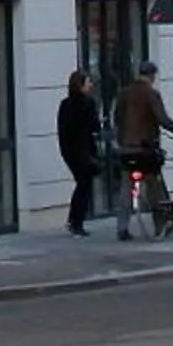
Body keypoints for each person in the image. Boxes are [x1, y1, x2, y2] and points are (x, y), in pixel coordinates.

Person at [110, 61, 173, 240]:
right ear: (152, 76)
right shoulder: (151, 94)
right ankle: (161, 224)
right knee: (154, 185)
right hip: (144, 149)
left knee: (127, 188)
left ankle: (122, 228)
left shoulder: (124, 93)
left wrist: (120, 140)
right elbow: (163, 119)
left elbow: (117, 118)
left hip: (126, 149)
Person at [55, 68, 103, 236]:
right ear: (81, 85)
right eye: (88, 82)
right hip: (84, 150)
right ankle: (76, 221)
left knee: (82, 184)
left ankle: (74, 220)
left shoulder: (65, 104)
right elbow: (94, 126)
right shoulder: (88, 103)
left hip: (69, 150)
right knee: (84, 186)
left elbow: (63, 129)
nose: (90, 85)